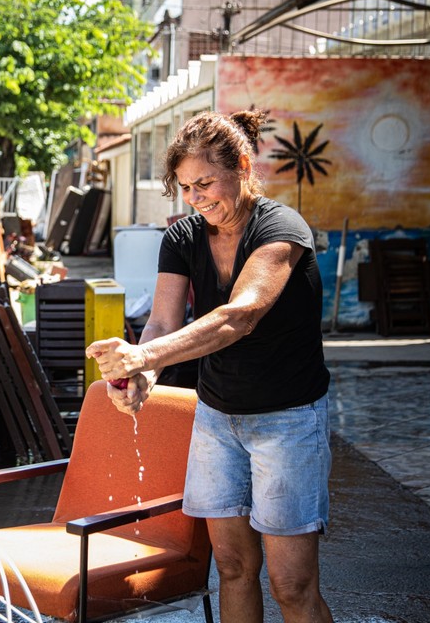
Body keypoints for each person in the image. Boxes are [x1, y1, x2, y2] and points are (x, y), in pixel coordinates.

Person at [86, 109, 333, 623]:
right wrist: (141, 376)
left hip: (287, 423)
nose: (197, 199)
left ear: (242, 165)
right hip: (217, 420)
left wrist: (146, 356)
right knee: (233, 567)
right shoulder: (182, 238)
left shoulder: (282, 229)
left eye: (205, 183)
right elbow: (160, 325)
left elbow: (237, 318)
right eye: (186, 189)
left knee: (292, 584)